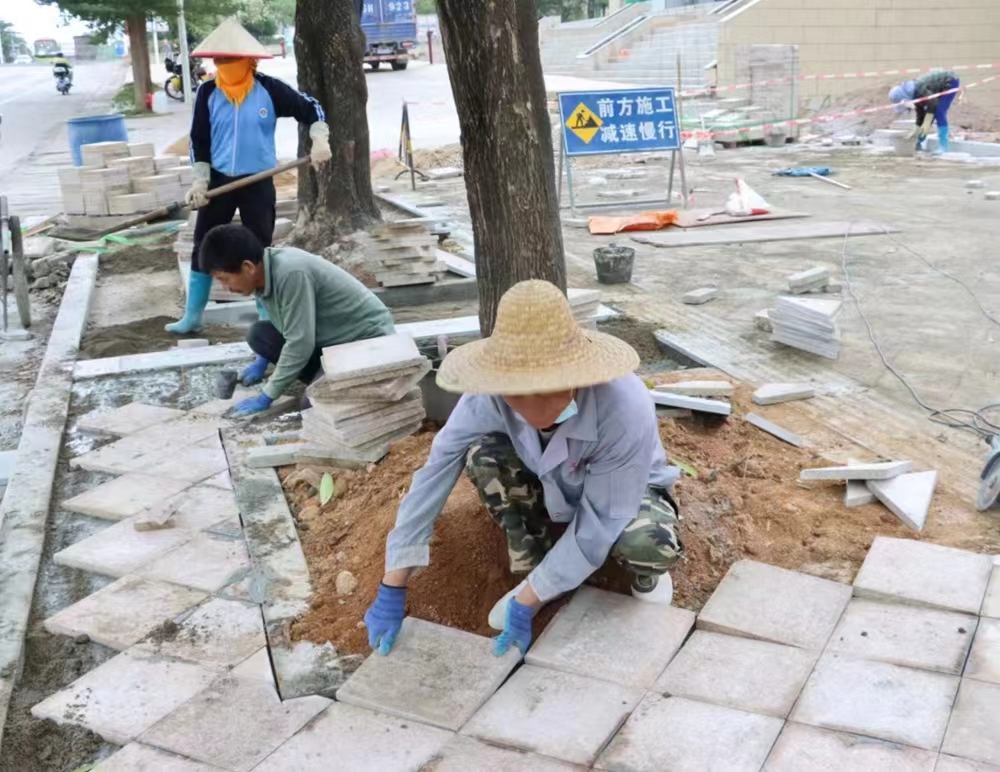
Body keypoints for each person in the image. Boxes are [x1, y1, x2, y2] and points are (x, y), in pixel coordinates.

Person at [363, 280, 684, 658]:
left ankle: (635, 575)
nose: (530, 407)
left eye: (545, 387)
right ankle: (539, 567)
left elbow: (603, 518)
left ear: (576, 374)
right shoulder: (490, 394)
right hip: (554, 483)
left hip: (626, 491)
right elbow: (438, 466)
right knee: (484, 455)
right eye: (518, 391)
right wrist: (394, 580)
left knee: (646, 545)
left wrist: (525, 605)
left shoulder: (624, 407)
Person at [167, 17, 332, 335]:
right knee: (204, 244)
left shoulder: (269, 90)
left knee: (259, 247)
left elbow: (311, 108)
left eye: (229, 59)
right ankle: (193, 316)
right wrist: (200, 180)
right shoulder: (208, 93)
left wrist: (320, 137)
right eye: (218, 60)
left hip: (258, 181)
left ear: (248, 60)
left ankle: (266, 315)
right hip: (219, 181)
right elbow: (198, 140)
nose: (222, 64)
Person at [198, 224, 395, 417]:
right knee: (260, 335)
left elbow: (300, 342)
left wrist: (267, 395)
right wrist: (261, 361)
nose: (225, 287)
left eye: (224, 278)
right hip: (332, 341)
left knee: (313, 407)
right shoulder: (262, 274)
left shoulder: (291, 273)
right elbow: (282, 325)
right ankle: (329, 377)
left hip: (366, 342)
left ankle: (339, 381)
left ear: (248, 266)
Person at [889, 70, 961, 154]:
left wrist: (926, 125)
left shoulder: (919, 90)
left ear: (905, 98)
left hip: (950, 81)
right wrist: (915, 131)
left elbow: (933, 104)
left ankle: (943, 147)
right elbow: (920, 114)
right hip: (938, 88)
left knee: (939, 111)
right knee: (930, 114)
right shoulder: (913, 95)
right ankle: (919, 142)